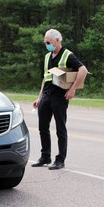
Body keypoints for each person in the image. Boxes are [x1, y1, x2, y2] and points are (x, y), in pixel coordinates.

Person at [32, 29, 88, 170]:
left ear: (57, 41)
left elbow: (83, 70)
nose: (46, 44)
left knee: (60, 128)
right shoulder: (47, 57)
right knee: (43, 128)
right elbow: (46, 78)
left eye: (48, 42)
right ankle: (45, 156)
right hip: (46, 95)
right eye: (45, 42)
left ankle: (60, 159)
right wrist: (39, 97)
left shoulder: (67, 55)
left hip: (59, 97)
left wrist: (72, 89)